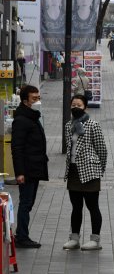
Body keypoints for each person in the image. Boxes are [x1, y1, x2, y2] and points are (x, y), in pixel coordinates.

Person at [62, 94, 107, 251]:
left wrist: (99, 168)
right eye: (73, 104)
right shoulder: (69, 125)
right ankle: (74, 238)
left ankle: (95, 239)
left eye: (79, 105)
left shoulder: (93, 125)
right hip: (74, 170)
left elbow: (102, 149)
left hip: (90, 171)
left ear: (85, 107)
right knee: (76, 206)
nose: (76, 107)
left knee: (92, 205)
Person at [11, 85, 48, 249]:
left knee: (29, 202)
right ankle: (22, 236)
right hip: (27, 169)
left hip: (34, 167)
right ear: (26, 101)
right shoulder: (21, 120)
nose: (37, 101)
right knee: (26, 203)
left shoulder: (32, 116)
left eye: (38, 98)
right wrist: (19, 172)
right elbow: (17, 148)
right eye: (34, 99)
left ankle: (22, 234)